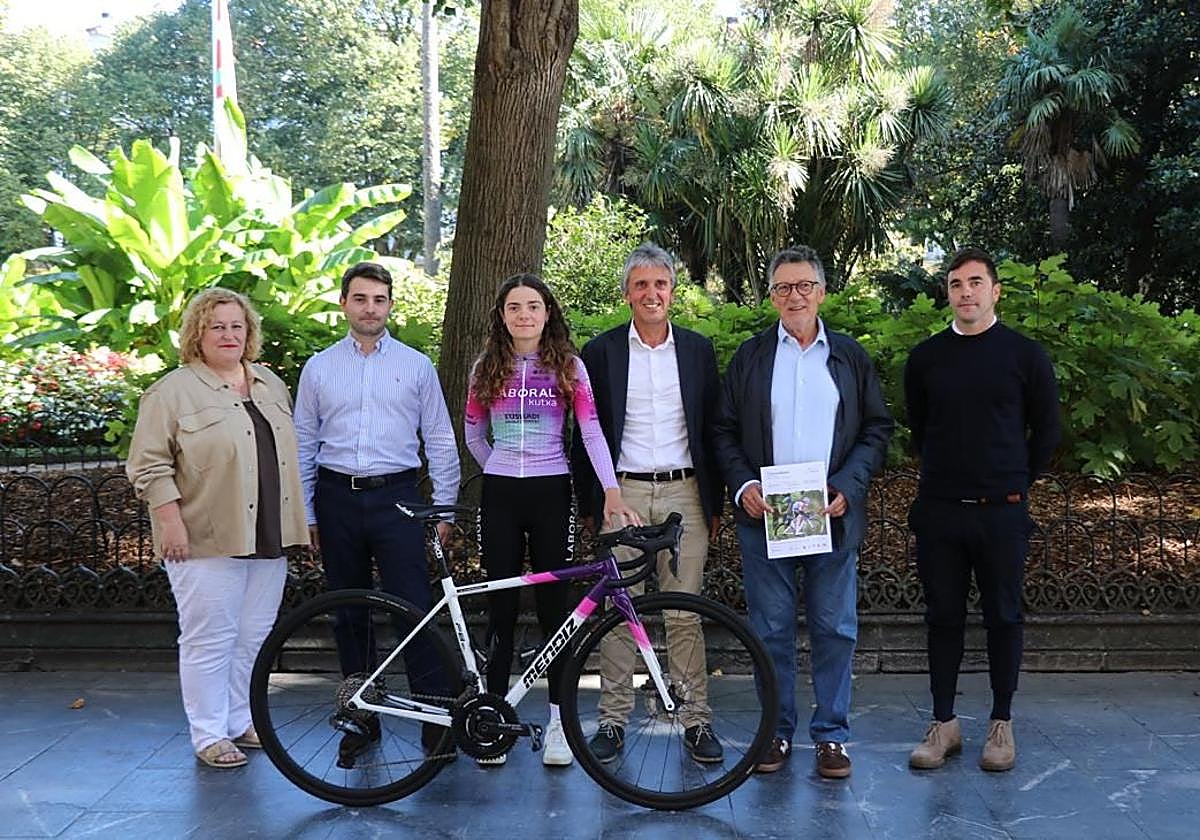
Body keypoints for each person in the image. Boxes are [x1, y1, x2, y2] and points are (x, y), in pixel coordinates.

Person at [712, 246, 893, 779]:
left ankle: (832, 736)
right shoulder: (750, 357)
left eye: (804, 286)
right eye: (783, 288)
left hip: (831, 514)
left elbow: (876, 429)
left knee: (834, 628)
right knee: (769, 630)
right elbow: (722, 430)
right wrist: (742, 483)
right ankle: (777, 732)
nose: (794, 296)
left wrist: (848, 486)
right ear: (770, 297)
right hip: (764, 515)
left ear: (821, 292)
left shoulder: (849, 357)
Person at [127, 288, 308, 769]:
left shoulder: (269, 383)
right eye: (217, 327)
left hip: (267, 533)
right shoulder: (172, 392)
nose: (229, 335)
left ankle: (238, 720)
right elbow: (148, 465)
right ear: (197, 334)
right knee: (210, 637)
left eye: (237, 326)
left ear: (249, 333)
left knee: (251, 635)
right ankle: (208, 733)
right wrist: (170, 523)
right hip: (204, 535)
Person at [465, 273, 640, 768]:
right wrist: (502, 464)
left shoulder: (570, 367)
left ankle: (561, 723)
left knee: (553, 612)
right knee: (498, 606)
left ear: (547, 314)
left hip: (551, 493)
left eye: (533, 306)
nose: (524, 315)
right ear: (502, 315)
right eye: (515, 307)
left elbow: (591, 433)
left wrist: (610, 490)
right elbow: (474, 433)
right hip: (500, 494)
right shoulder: (485, 368)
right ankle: (493, 721)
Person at [293, 261, 461, 764]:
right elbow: (304, 442)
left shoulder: (415, 366)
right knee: (350, 613)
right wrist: (307, 511)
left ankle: (435, 719)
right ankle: (361, 718)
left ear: (390, 305)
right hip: (336, 498)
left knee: (414, 607)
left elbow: (439, 438)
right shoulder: (319, 368)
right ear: (344, 303)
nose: (370, 308)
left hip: (400, 500)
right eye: (361, 298)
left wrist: (443, 508)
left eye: (380, 299)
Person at [905, 246, 1060, 773]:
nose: (965, 292)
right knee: (942, 617)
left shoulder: (1025, 356)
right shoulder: (926, 358)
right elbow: (920, 430)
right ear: (946, 293)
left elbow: (1047, 430)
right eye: (955, 284)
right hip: (941, 509)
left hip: (1003, 511)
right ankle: (943, 723)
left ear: (995, 290)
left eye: (975, 282)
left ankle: (1001, 722)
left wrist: (1016, 479)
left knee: (1003, 617)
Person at [571, 243, 725, 765]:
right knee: (620, 609)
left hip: (686, 492)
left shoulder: (699, 350)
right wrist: (594, 502)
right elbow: (584, 433)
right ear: (626, 293)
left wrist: (716, 502)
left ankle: (695, 721)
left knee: (684, 612)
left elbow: (714, 428)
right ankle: (613, 722)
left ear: (673, 292)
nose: (651, 293)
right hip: (625, 490)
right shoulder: (601, 352)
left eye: (660, 284)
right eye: (641, 284)